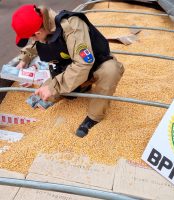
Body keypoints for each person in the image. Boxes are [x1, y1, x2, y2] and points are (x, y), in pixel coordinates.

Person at [11, 4, 124, 137]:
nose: (33, 40)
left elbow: (83, 65)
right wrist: (24, 60)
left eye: (32, 37)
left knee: (111, 70)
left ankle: (94, 117)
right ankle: (77, 89)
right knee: (44, 97)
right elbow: (34, 46)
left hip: (93, 67)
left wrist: (53, 87)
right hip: (67, 69)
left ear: (38, 33)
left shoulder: (71, 26)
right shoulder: (44, 26)